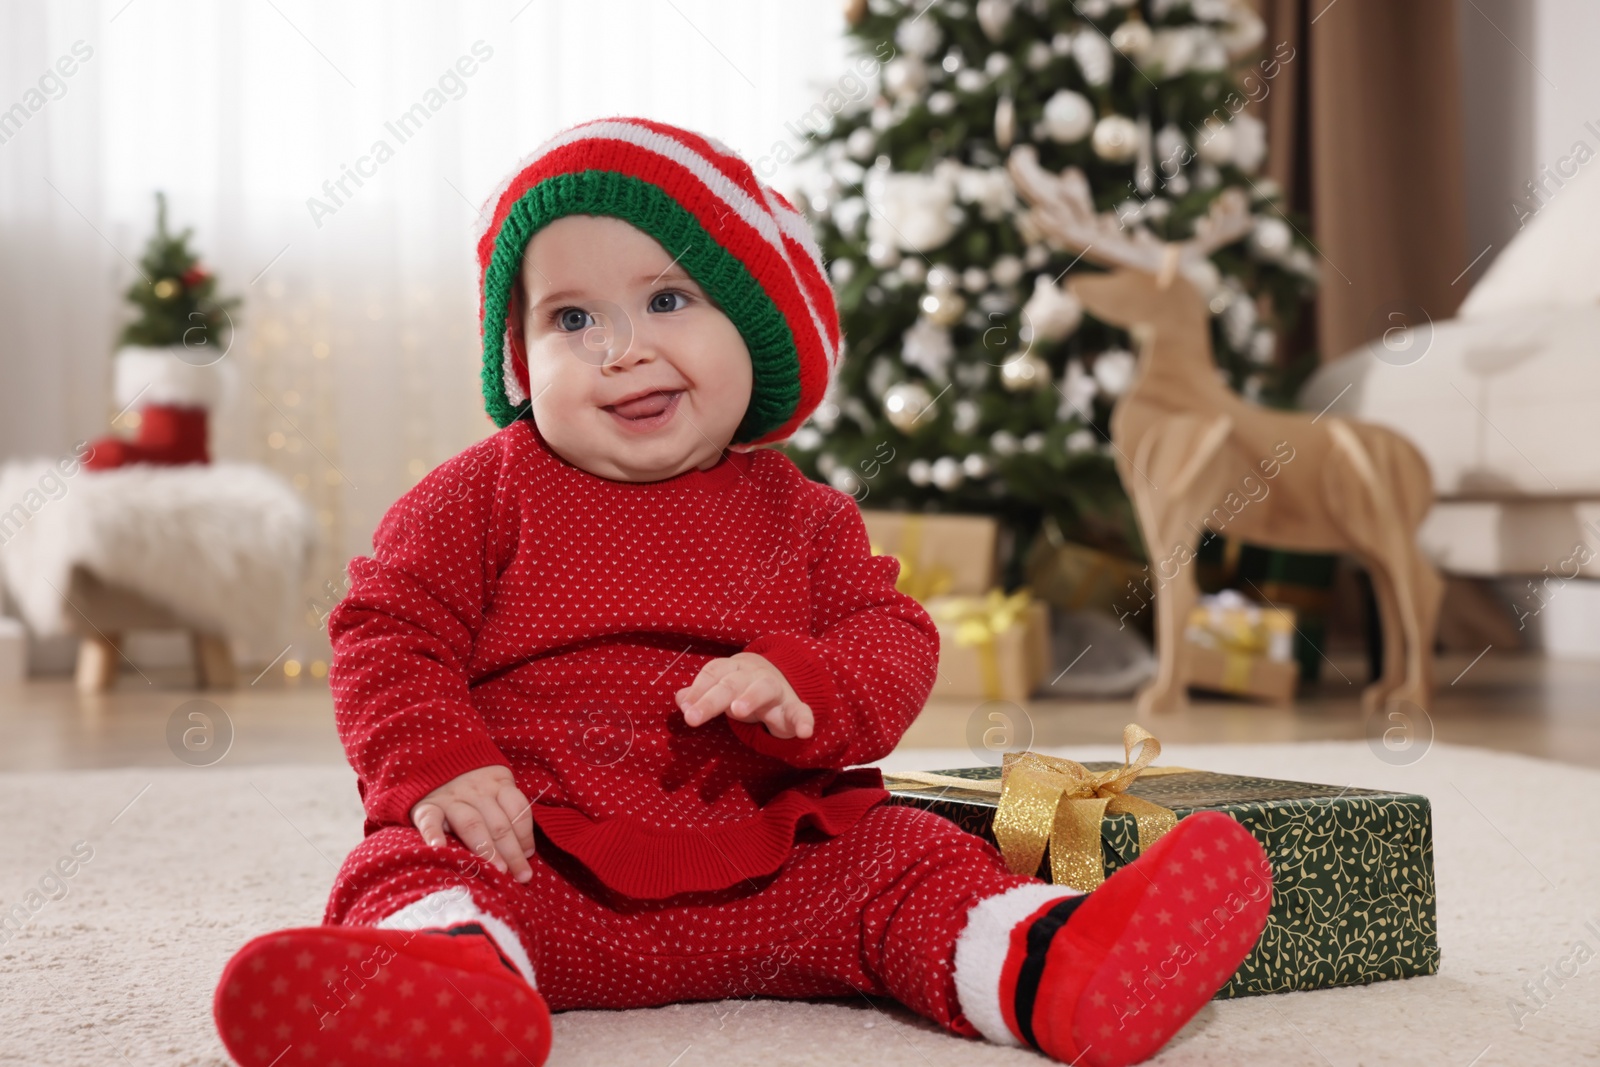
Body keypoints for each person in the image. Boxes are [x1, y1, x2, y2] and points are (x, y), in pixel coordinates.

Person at [212, 116, 1271, 1067]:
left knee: (910, 856)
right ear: (521, 360)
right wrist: (442, 764)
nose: (622, 348)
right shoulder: (480, 494)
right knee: (409, 859)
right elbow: (387, 630)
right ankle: (450, 984)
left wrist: (801, 675)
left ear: (755, 336)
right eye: (570, 318)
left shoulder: (801, 514)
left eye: (667, 299)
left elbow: (891, 636)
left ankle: (1060, 966)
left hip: (773, 865)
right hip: (539, 857)